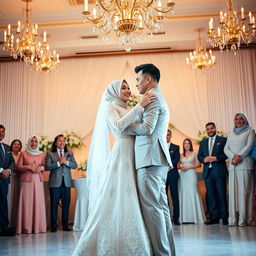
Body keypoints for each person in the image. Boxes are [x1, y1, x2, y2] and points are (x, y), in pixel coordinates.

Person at [72, 79, 154, 256]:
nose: (127, 90)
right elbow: (118, 126)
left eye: (128, 87)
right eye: (123, 88)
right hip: (123, 152)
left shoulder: (128, 108)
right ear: (114, 92)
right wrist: (139, 106)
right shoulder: (110, 108)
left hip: (136, 152)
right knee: (123, 194)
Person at [124, 64, 175, 256]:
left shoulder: (152, 98)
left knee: (154, 210)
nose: (136, 84)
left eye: (138, 80)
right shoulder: (159, 96)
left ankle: (161, 253)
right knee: (161, 208)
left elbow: (147, 128)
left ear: (148, 80)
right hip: (156, 158)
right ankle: (168, 252)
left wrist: (125, 127)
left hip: (150, 159)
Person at [224, 113, 255, 226]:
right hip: (233, 167)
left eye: (241, 119)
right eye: (236, 119)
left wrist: (239, 156)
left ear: (245, 120)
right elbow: (226, 148)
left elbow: (249, 146)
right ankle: (233, 220)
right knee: (233, 195)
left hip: (245, 166)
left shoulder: (249, 131)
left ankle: (245, 220)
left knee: (245, 193)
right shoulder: (230, 134)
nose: (238, 121)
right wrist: (233, 157)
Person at [198, 122, 228, 225]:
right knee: (210, 195)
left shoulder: (223, 140)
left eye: (211, 128)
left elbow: (226, 154)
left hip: (219, 171)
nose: (210, 130)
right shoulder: (203, 142)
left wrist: (216, 158)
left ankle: (224, 217)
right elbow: (199, 156)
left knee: (221, 194)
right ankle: (214, 217)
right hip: (208, 172)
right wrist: (204, 159)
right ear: (206, 131)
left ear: (215, 128)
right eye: (208, 129)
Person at [46, 134, 77, 232]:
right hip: (55, 183)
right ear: (55, 143)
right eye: (60, 141)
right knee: (54, 205)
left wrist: (66, 162)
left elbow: (75, 165)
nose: (62, 142)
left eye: (63, 141)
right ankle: (54, 226)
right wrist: (59, 163)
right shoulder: (50, 153)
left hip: (66, 183)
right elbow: (47, 167)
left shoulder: (69, 153)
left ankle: (65, 226)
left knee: (66, 205)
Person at [16, 136, 46, 234]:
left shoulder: (42, 154)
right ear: (29, 143)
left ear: (38, 143)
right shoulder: (23, 153)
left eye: (35, 141)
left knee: (38, 202)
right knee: (26, 203)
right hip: (26, 181)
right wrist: (28, 167)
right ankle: (26, 228)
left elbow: (46, 165)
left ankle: (38, 227)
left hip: (38, 180)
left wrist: (40, 168)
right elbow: (18, 167)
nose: (33, 143)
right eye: (32, 141)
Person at [178, 138, 205, 224]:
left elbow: (199, 164)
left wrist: (188, 167)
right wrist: (181, 167)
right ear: (183, 145)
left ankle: (195, 217)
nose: (186, 145)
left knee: (193, 192)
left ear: (190, 145)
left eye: (188, 143)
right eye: (185, 143)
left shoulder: (194, 153)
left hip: (191, 174)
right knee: (184, 193)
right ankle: (185, 218)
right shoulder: (181, 155)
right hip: (183, 175)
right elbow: (177, 165)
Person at [0, 124, 15, 236]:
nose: (1, 133)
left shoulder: (7, 147)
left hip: (5, 180)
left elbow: (12, 162)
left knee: (3, 204)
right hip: (1, 175)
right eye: (0, 131)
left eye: (3, 132)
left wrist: (8, 171)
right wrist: (1, 170)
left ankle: (4, 228)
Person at [166, 129, 180, 225]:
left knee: (175, 197)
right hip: (162, 176)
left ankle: (176, 218)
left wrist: (167, 165)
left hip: (173, 174)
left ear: (171, 136)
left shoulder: (175, 147)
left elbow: (176, 159)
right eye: (165, 135)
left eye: (168, 135)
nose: (166, 136)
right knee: (164, 197)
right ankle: (166, 219)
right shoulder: (159, 146)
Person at [8, 139, 22, 227]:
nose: (16, 146)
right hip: (10, 178)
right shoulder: (8, 154)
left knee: (18, 200)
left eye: (18, 144)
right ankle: (8, 222)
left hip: (19, 179)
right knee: (9, 199)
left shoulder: (22, 155)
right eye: (14, 144)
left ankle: (16, 223)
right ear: (11, 145)